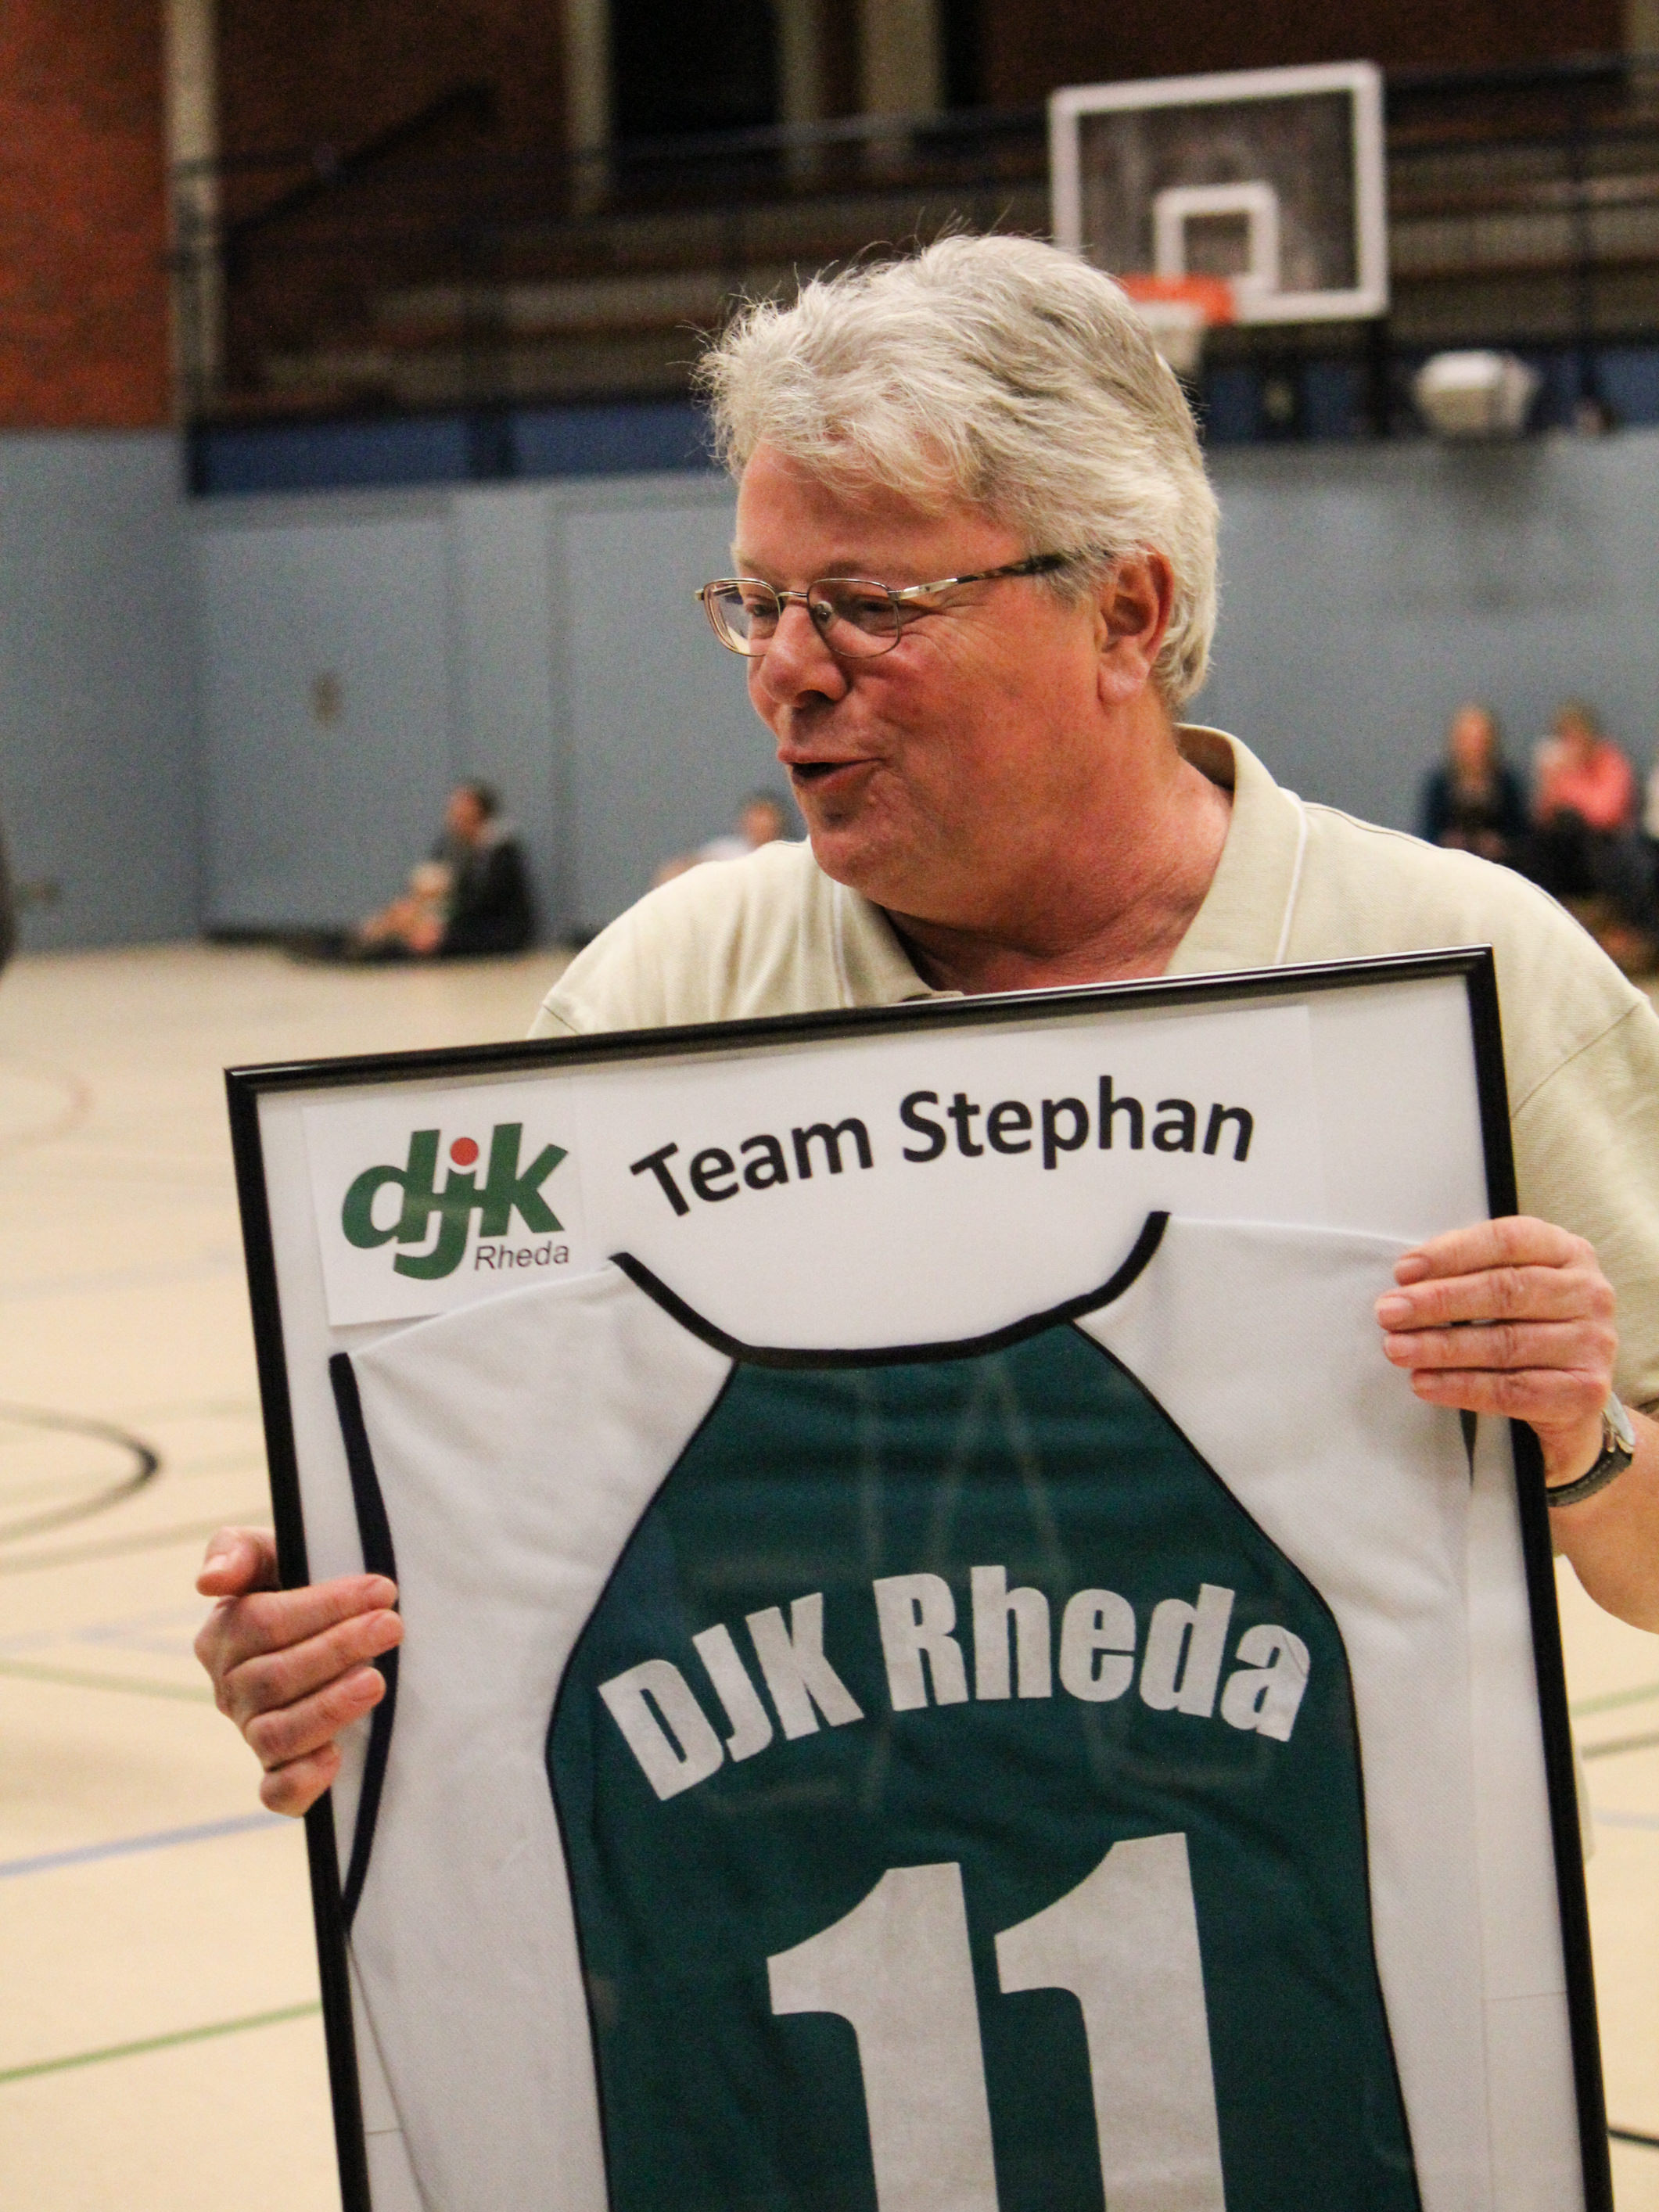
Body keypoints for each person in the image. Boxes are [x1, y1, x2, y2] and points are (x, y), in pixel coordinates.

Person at [198, 234, 1659, 1833]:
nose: (785, 672)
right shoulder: (662, 995)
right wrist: (325, 1631)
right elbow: (477, 1540)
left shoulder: (1461, 967)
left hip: (1302, 1939)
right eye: (759, 602)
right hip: (786, 1930)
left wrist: (1579, 1441)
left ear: (1125, 611)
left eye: (866, 606)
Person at [1522, 701, 1654, 961]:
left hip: (1608, 847)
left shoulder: (1611, 760)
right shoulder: (1555, 769)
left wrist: (1570, 789)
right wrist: (1552, 780)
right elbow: (1542, 817)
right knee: (1541, 844)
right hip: (1568, 854)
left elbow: (1606, 814)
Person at [350, 781, 533, 958]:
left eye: (462, 807)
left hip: (495, 928)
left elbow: (484, 902)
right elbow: (432, 880)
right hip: (458, 918)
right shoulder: (450, 846)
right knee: (398, 920)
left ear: (479, 812)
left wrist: (439, 921)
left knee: (426, 939)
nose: (454, 814)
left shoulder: (501, 850)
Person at [1417, 702, 1528, 867]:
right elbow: (1427, 833)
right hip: (1448, 867)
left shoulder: (1507, 784)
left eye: (1480, 740)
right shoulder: (1439, 784)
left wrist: (1501, 844)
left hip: (1499, 867)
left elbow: (1521, 834)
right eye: (1468, 740)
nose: (1475, 747)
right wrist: (1447, 843)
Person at [651, 788, 792, 884]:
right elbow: (676, 870)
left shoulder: (790, 854)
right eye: (756, 815)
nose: (761, 823)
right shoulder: (726, 851)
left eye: (766, 816)